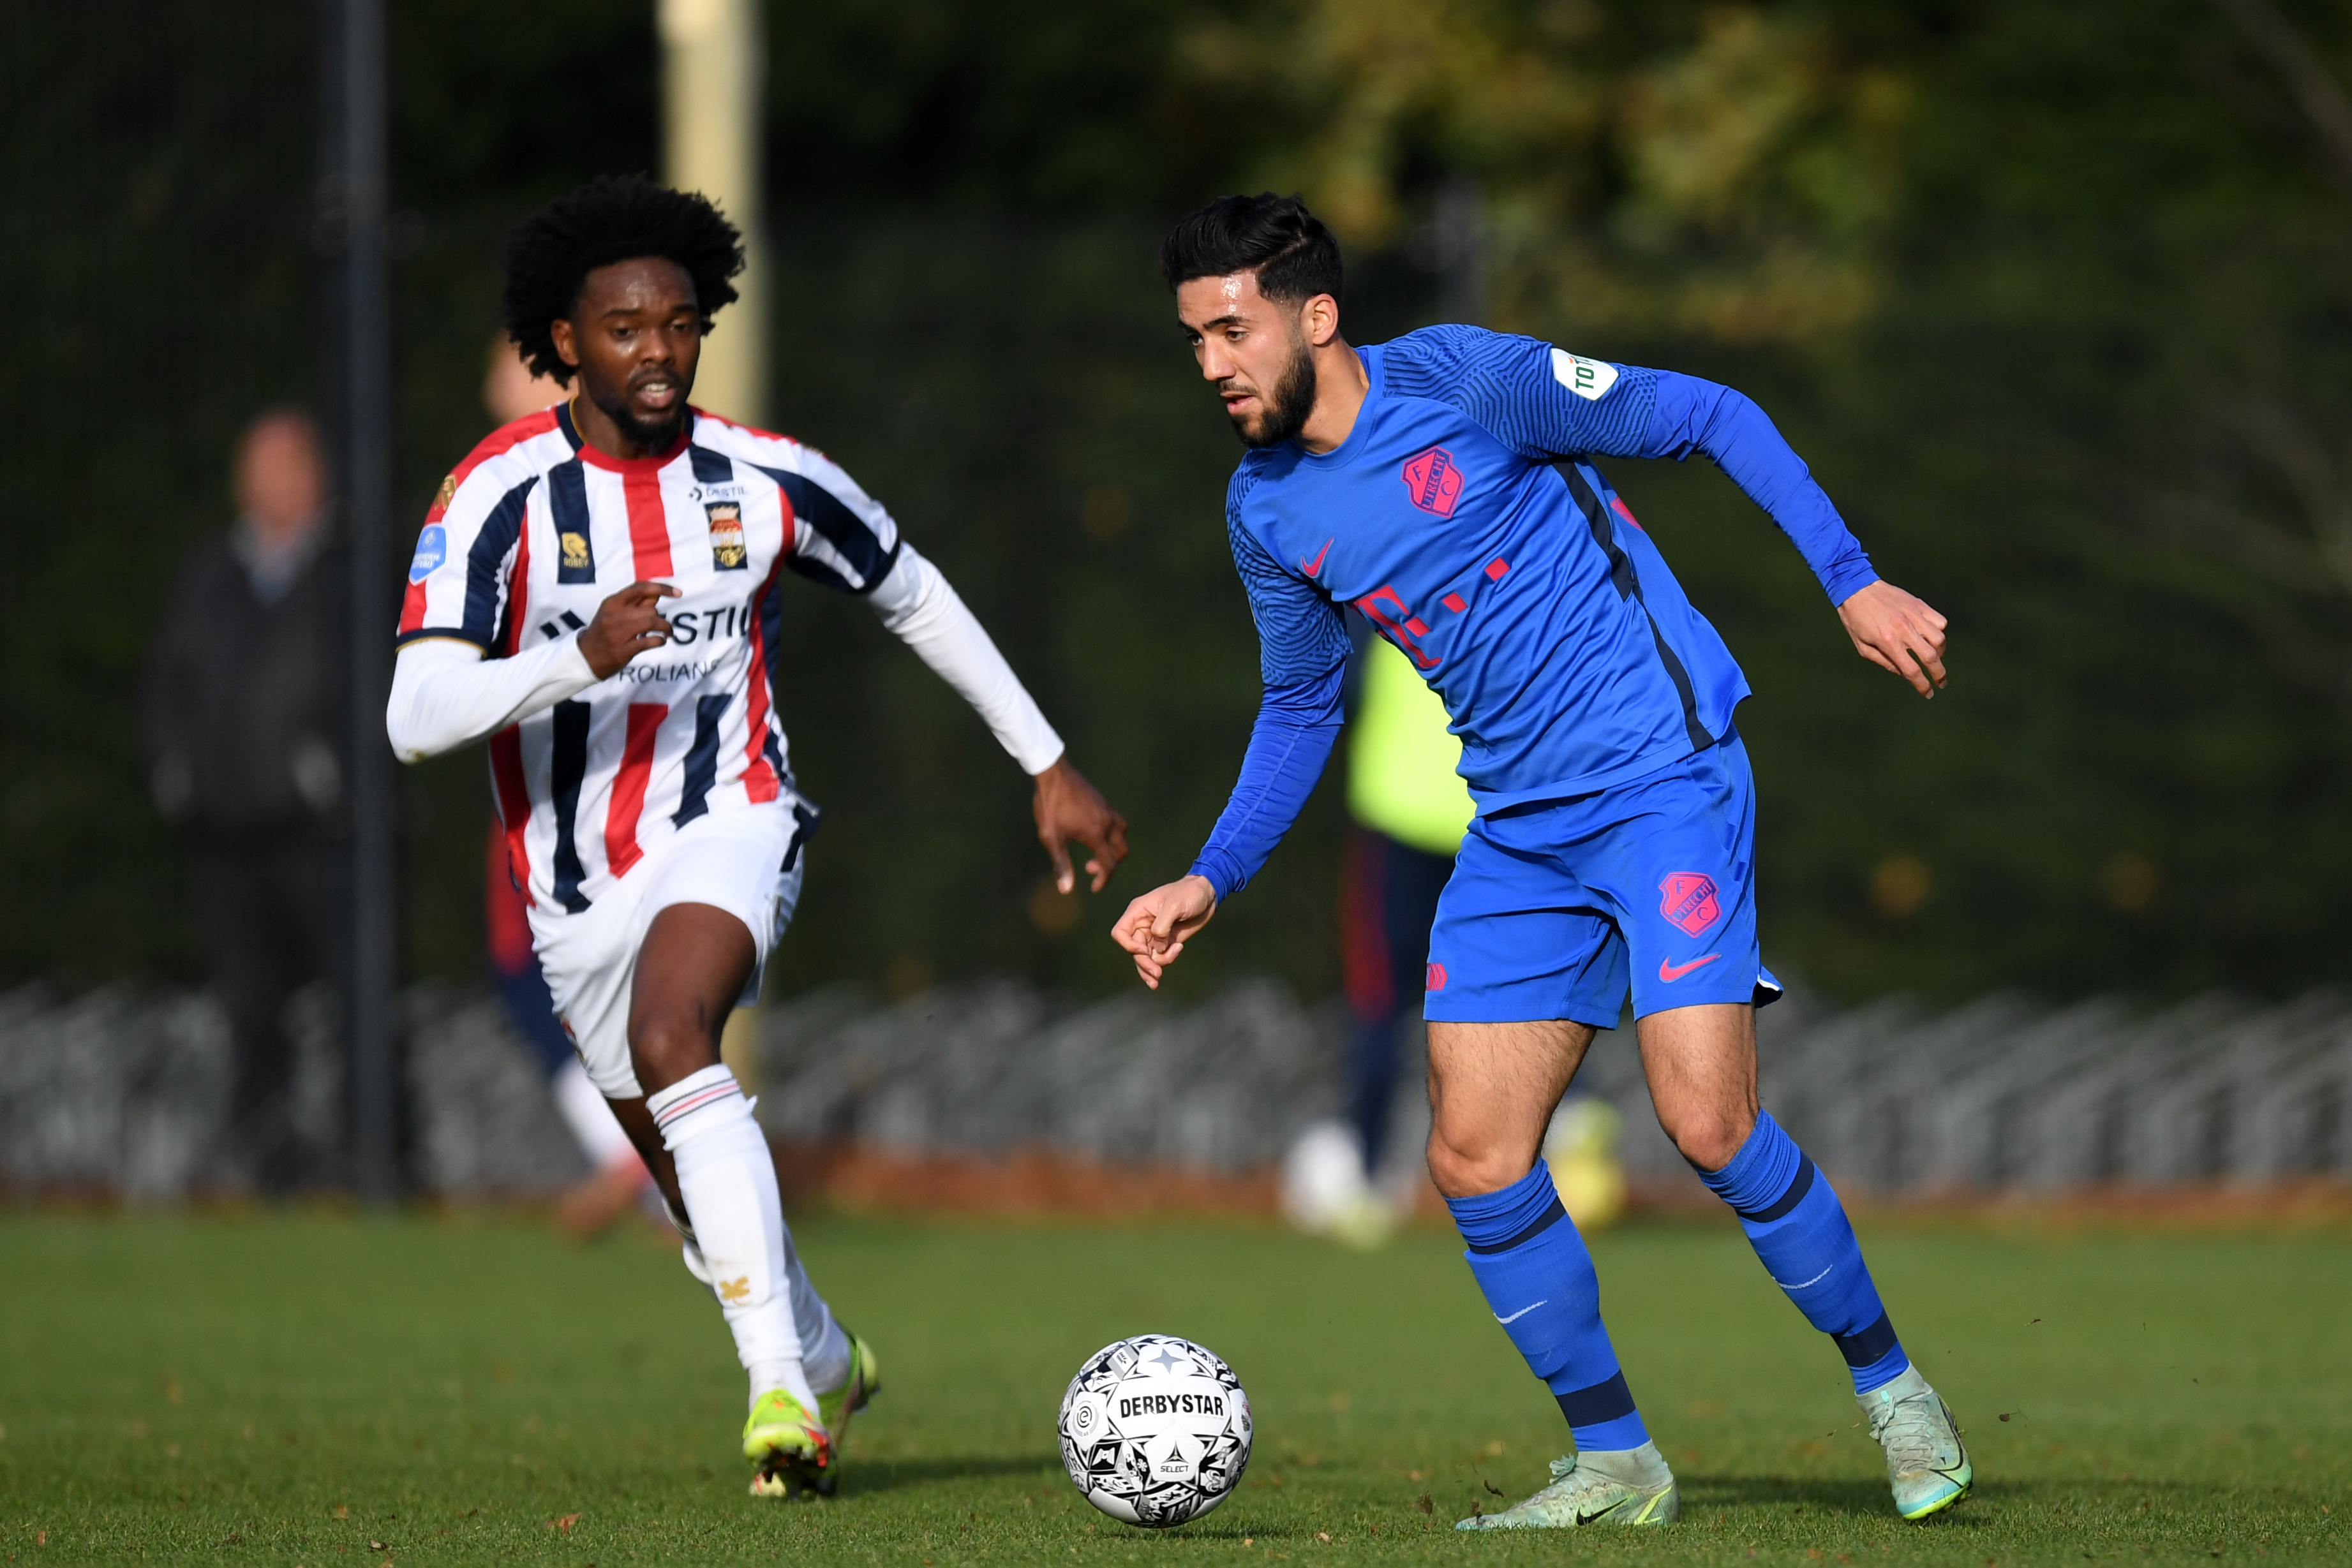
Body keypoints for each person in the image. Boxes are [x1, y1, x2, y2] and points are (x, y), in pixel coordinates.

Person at [1112, 195, 1967, 1528]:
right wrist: (1208, 875)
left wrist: (1849, 579)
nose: (1213, 363)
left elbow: (1712, 413)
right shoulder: (1262, 507)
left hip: (1664, 777)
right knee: (1472, 1153)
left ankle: (1895, 1389)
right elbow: (1301, 703)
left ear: (1316, 317)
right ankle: (1617, 1463)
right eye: (1195, 339)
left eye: (1234, 330)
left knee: (1707, 1124)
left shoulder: (1469, 380)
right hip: (1518, 826)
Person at [387, 177, 1128, 1498]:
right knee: (689, 1179)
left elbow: (911, 587)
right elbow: (413, 714)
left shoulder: (767, 476)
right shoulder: (496, 494)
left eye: (680, 324)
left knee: (677, 1035)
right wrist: (574, 657)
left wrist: (1046, 758)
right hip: (571, 887)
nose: (657, 352)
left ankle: (779, 1394)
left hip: (736, 814)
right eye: (624, 328)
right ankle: (826, 1349)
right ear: (562, 341)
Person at [475, 335, 655, 1237]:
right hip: (579, 760)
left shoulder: (558, 485)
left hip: (580, 766)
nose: (493, 380)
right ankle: (662, 1167)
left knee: (529, 967)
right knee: (595, 974)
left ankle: (645, 1159)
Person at [145, 410, 352, 1195]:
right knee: (251, 1005)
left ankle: (377, 1154)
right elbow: (168, 678)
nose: (266, 484)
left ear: (315, 475)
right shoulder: (213, 573)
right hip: (226, 825)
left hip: (322, 831)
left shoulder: (349, 569)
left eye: (283, 466)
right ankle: (269, 1165)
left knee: (355, 996)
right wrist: (176, 768)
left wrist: (327, 772)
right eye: (255, 468)